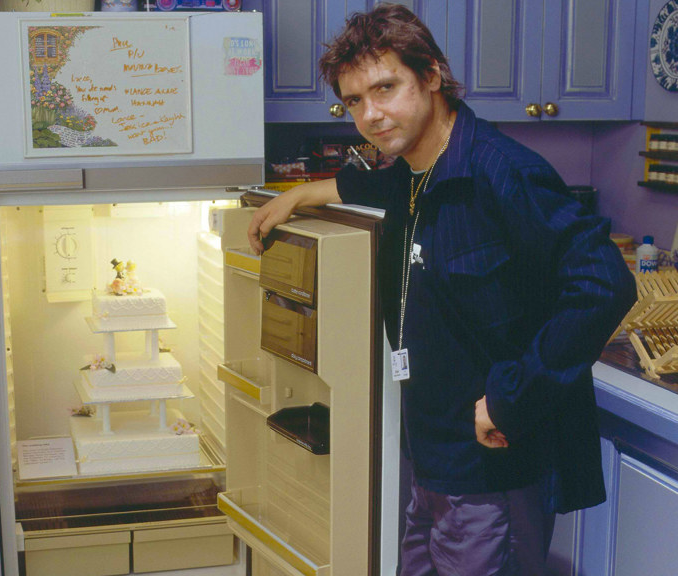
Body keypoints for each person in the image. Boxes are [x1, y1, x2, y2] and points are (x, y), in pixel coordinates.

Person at [247, 4, 636, 575]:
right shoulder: (412, 171)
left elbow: (604, 283)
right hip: (429, 459)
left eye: (386, 88)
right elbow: (371, 182)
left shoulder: (502, 171)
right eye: (355, 100)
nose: (372, 115)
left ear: (431, 75)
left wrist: (513, 396)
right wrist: (298, 195)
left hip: (491, 470)